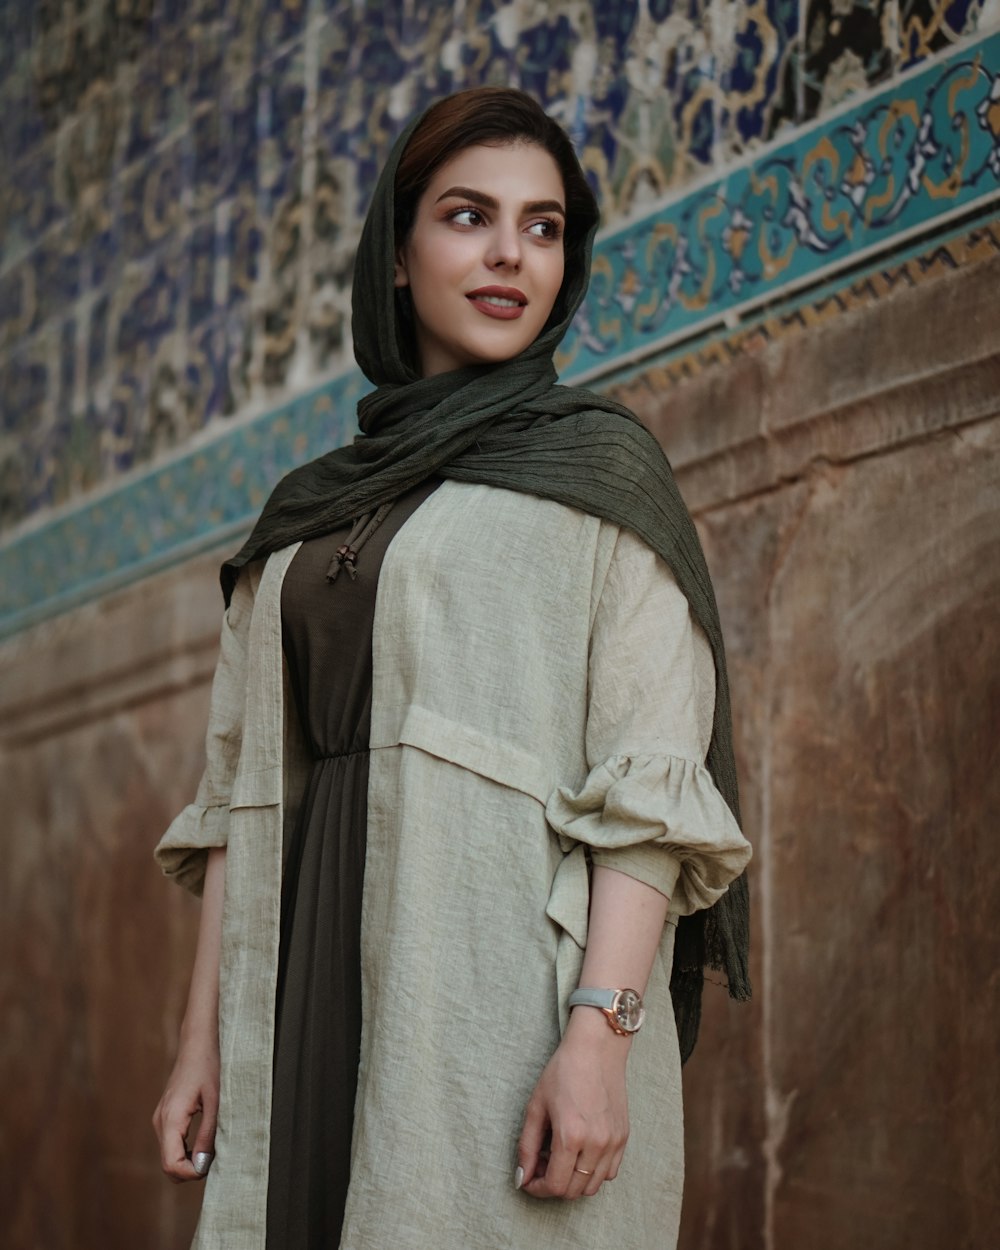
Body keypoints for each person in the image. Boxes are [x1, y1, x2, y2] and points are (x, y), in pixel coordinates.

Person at [152, 86, 752, 1250]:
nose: (507, 255)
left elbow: (651, 790)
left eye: (541, 227)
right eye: (468, 215)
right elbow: (238, 798)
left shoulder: (600, 470)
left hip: (491, 995)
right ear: (396, 250)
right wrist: (203, 1038)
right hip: (300, 982)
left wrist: (599, 1035)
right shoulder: (303, 513)